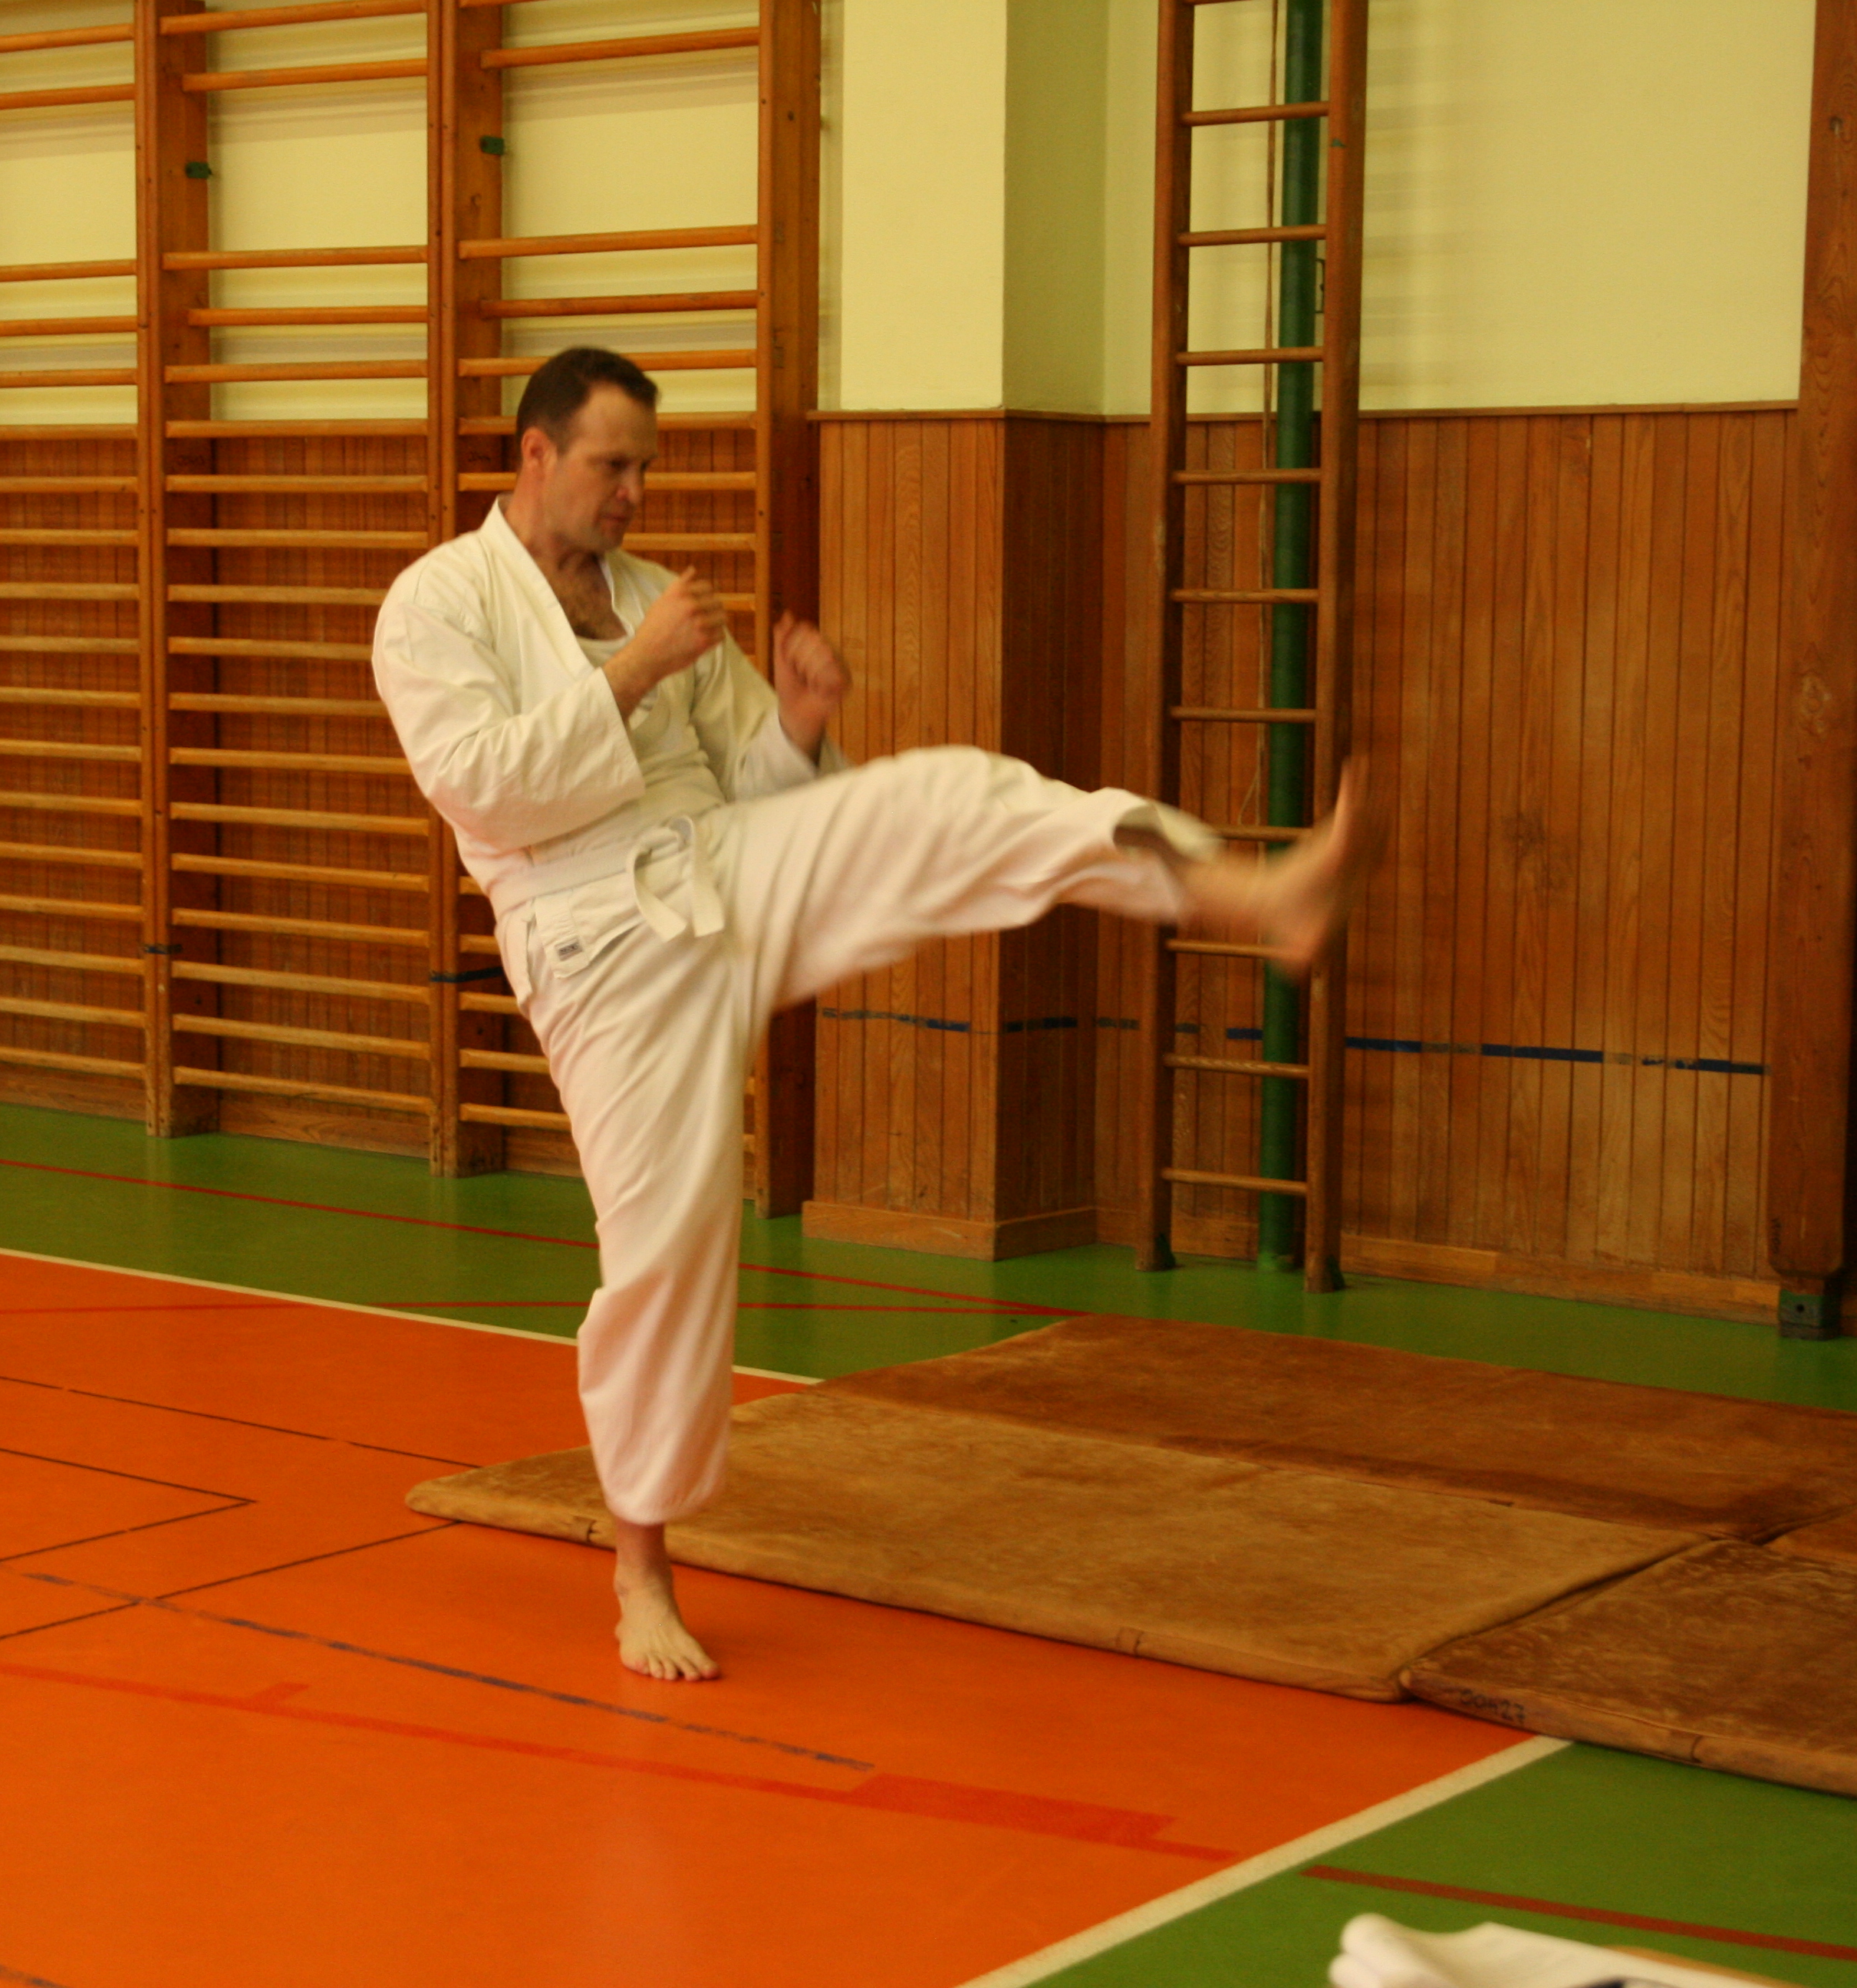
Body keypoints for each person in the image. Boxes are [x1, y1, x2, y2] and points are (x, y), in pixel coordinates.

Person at [374, 347, 1371, 1681]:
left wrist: (794, 727)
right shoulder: (438, 603)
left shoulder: (651, 597)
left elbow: (757, 791)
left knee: (944, 795)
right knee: (666, 1251)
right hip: (596, 936)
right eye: (612, 465)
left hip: (726, 864)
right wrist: (628, 677)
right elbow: (482, 788)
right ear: (537, 453)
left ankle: (1253, 891)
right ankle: (640, 1571)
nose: (632, 494)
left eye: (644, 469)